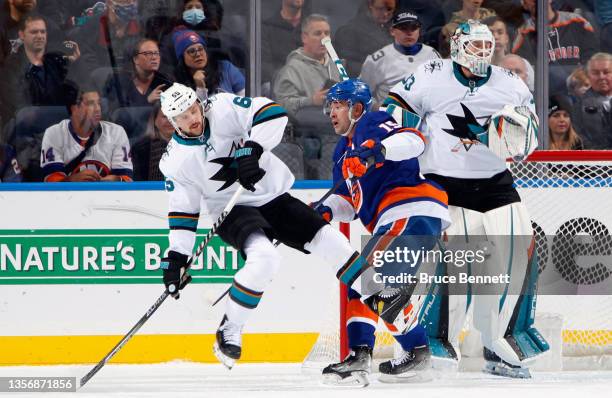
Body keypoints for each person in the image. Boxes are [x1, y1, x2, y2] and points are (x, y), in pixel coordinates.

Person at [157, 82, 416, 370]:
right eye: (183, 116)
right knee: (265, 259)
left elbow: (273, 113)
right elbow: (183, 212)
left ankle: (377, 294)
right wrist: (177, 257)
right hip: (233, 211)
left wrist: (252, 150)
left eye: (193, 109)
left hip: (275, 198)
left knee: (332, 242)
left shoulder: (221, 107)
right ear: (172, 122)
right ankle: (230, 329)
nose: (193, 118)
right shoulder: (175, 162)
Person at [383, 20, 549, 378]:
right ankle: (434, 345)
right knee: (447, 271)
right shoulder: (431, 74)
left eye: (487, 47)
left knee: (514, 265)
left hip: (496, 185)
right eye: (475, 47)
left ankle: (502, 346)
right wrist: (404, 132)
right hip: (445, 187)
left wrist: (521, 133)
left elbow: (531, 133)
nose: (483, 54)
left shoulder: (509, 82)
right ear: (457, 47)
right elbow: (394, 106)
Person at [318, 78, 450, 385]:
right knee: (361, 280)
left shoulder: (372, 122)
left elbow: (415, 140)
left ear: (357, 108)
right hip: (394, 219)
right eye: (330, 107)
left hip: (411, 208)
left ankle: (400, 352)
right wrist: (325, 208)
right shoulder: (341, 152)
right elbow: (348, 204)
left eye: (338, 106)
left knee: (365, 278)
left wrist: (375, 151)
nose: (331, 113)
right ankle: (381, 353)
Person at [40, 82, 133, 182]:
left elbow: (127, 179)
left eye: (99, 103)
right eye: (90, 104)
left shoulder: (116, 132)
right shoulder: (54, 134)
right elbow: (50, 182)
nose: (98, 109)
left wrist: (115, 180)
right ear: (74, 109)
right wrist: (71, 181)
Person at [0, 14, 80, 123]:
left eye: (43, 32)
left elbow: (72, 97)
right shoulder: (11, 68)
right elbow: (22, 113)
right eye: (34, 32)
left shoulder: (56, 63)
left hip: (60, 128)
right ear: (22, 35)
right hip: (25, 133)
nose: (40, 36)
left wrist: (74, 65)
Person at [512, 0, 598, 95]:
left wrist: (583, 72)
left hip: (583, 87)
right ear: (524, 4)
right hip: (549, 95)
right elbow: (527, 70)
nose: (536, 1)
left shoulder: (577, 21)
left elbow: (593, 55)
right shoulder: (523, 33)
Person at [359, 11, 440, 106]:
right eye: (403, 28)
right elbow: (361, 92)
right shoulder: (377, 60)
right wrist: (377, 108)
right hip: (389, 116)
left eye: (413, 28)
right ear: (392, 31)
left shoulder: (432, 54)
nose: (409, 33)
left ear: (419, 31)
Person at [272, 14, 339, 119]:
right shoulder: (291, 70)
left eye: (327, 33)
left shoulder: (336, 66)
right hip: (308, 131)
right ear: (304, 37)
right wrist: (311, 101)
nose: (324, 38)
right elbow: (282, 104)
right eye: (318, 34)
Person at [172, 28, 245, 101]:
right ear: (182, 58)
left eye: (201, 49)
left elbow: (245, 99)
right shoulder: (177, 84)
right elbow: (198, 111)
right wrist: (200, 88)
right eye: (192, 51)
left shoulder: (225, 68)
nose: (198, 54)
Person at [103, 38, 171, 110]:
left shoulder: (165, 81)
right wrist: (147, 101)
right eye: (148, 53)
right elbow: (118, 113)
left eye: (157, 53)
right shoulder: (118, 82)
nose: (154, 57)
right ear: (136, 59)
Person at [333, 0, 396, 76]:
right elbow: (345, 65)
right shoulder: (349, 31)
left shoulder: (399, 28)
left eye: (389, 9)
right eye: (380, 9)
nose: (385, 14)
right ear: (370, 5)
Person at [572, 52, 612, 149]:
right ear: (589, 76)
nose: (601, 77)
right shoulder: (578, 107)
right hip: (594, 161)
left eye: (606, 72)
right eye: (596, 73)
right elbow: (579, 138)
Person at [261, 0, 306, 85]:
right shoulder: (266, 28)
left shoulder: (315, 27)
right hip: (278, 84)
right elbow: (264, 65)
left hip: (310, 83)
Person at [130, 101, 174, 181]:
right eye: (164, 116)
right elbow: (139, 183)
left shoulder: (189, 146)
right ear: (155, 120)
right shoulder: (140, 148)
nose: (170, 120)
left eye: (174, 116)